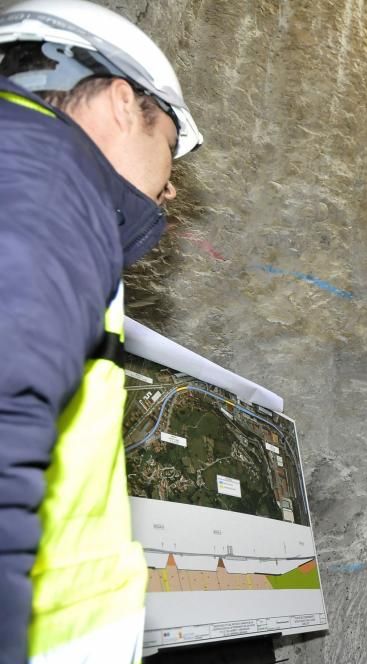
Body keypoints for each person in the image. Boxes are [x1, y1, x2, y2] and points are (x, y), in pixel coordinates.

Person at [0, 1, 202, 662]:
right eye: (170, 145)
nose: (170, 189)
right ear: (123, 103)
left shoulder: (30, 170)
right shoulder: (52, 180)